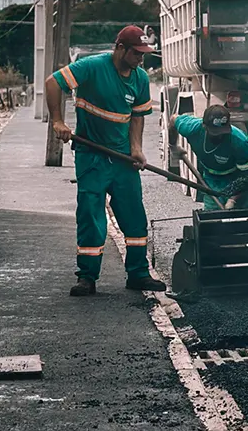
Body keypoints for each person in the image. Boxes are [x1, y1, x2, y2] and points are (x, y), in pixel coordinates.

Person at [47, 25, 166, 297]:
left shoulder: (140, 78)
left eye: (144, 54)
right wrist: (58, 121)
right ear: (120, 48)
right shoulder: (92, 67)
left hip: (122, 158)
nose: (141, 59)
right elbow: (53, 83)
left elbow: (137, 115)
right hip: (92, 156)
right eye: (137, 53)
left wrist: (136, 148)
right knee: (91, 215)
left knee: (134, 214)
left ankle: (138, 274)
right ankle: (87, 277)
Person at [170, 105, 248, 210]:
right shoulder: (191, 128)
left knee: (243, 215)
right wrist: (173, 147)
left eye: (222, 132)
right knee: (213, 215)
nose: (219, 136)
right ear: (204, 126)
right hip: (212, 179)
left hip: (237, 178)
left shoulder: (240, 142)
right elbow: (173, 119)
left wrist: (233, 200)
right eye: (215, 133)